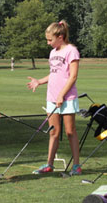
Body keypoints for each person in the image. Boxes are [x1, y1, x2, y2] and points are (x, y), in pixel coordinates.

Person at [27, 20, 81, 175]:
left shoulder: (71, 51)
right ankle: (49, 164)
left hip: (67, 98)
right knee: (53, 132)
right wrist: (39, 81)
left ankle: (76, 165)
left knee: (70, 131)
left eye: (50, 40)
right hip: (52, 97)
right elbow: (54, 73)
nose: (48, 43)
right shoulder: (53, 53)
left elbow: (73, 76)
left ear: (61, 37)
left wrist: (62, 95)